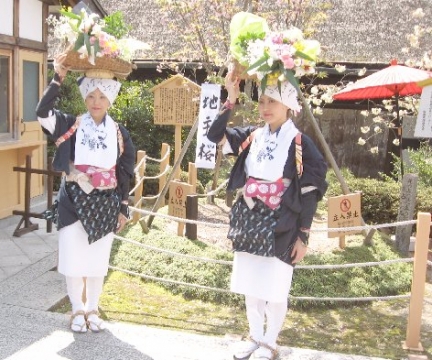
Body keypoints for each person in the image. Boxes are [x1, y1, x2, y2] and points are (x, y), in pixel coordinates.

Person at [207, 72, 328, 360]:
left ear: (288, 104)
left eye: (272, 100)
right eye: (262, 100)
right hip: (249, 217)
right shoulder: (253, 136)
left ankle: (270, 342)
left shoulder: (300, 142)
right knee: (251, 283)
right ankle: (255, 336)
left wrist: (304, 235)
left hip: (282, 220)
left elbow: (310, 191)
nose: (265, 107)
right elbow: (214, 136)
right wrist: (231, 99)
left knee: (275, 285)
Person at [35, 53, 135, 333]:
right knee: (73, 258)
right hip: (73, 200)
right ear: (84, 97)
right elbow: (42, 113)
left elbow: (125, 171)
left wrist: (123, 206)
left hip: (105, 201)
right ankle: (77, 310)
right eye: (91, 95)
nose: (96, 102)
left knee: (96, 261)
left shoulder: (119, 132)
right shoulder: (70, 124)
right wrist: (58, 78)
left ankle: (92, 307)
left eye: (102, 97)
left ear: (110, 100)